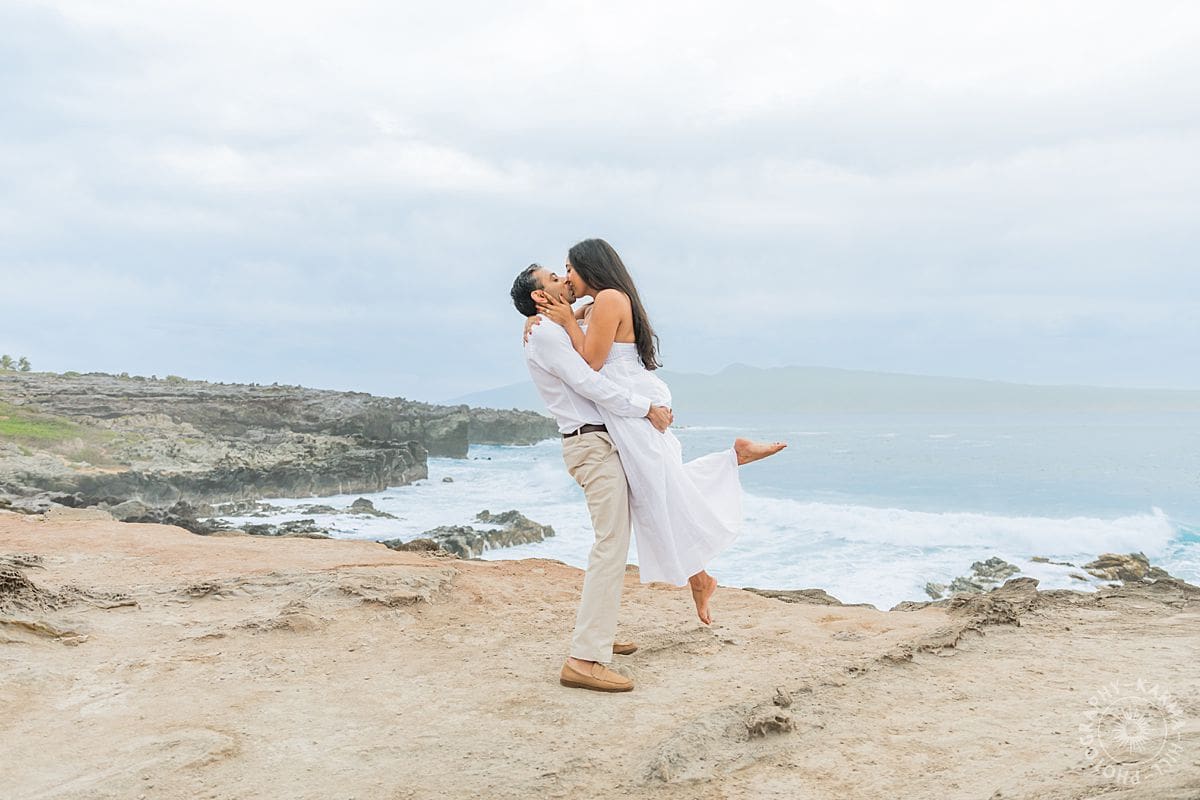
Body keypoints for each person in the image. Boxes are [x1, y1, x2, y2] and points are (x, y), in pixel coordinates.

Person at [527, 238, 786, 627]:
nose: (566, 278)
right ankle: (700, 578)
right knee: (657, 489)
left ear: (590, 268)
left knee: (660, 489)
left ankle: (733, 458)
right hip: (627, 404)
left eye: (569, 269)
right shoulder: (600, 303)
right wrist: (546, 318)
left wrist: (564, 320)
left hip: (632, 403)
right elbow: (579, 333)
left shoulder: (611, 299)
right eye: (561, 273)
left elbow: (591, 363)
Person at [511, 263, 674, 693]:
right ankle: (584, 660)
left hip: (597, 442)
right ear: (540, 298)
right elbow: (588, 381)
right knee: (611, 544)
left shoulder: (549, 327)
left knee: (612, 543)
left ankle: (597, 634)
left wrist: (560, 312)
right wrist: (646, 407)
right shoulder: (545, 334)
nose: (565, 280)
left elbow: (584, 315)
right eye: (553, 280)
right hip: (591, 445)